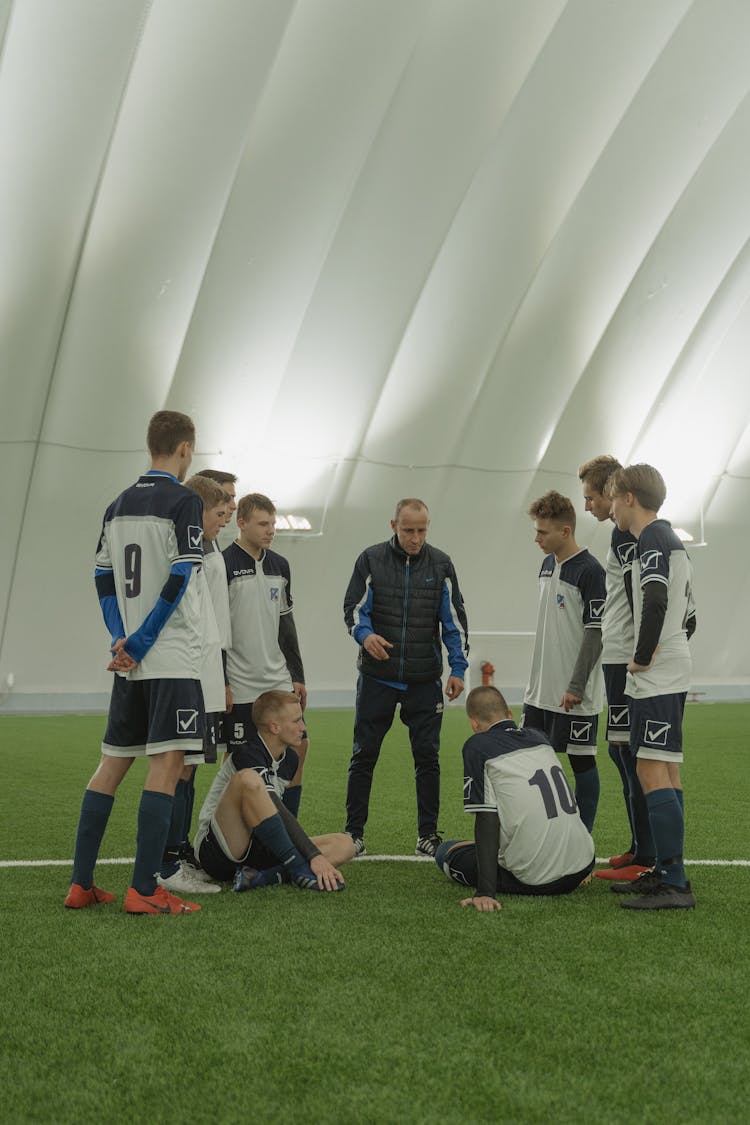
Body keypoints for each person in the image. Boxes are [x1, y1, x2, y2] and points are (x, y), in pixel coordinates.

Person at [65, 410, 206, 915]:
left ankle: (81, 884)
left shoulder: (117, 504)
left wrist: (119, 638)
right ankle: (145, 890)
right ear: (185, 449)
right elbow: (180, 576)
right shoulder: (185, 500)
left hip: (129, 661)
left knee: (111, 764)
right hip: (168, 657)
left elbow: (102, 578)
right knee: (167, 765)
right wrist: (143, 640)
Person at [343, 498, 469, 857]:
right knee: (363, 756)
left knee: (427, 759)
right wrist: (365, 636)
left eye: (422, 530)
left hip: (424, 681)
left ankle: (427, 834)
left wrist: (458, 669)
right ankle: (354, 834)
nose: (415, 538)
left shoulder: (441, 564)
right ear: (393, 525)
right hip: (376, 679)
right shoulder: (370, 560)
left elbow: (454, 622)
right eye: (408, 530)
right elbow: (352, 609)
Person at [607, 464, 697, 910]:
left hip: (657, 669)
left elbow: (657, 598)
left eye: (611, 496)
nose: (609, 507)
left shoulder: (652, 539)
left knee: (649, 769)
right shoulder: (669, 537)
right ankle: (666, 869)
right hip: (671, 662)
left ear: (628, 497)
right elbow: (691, 616)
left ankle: (675, 882)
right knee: (666, 768)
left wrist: (642, 656)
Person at [435, 686, 594, 909]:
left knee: (445, 851)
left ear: (474, 724)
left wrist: (485, 891)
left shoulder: (478, 746)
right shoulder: (540, 738)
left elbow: (486, 818)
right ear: (510, 714)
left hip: (538, 879)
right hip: (582, 865)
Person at [194, 691, 352, 891]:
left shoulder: (291, 759)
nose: (303, 727)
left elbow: (285, 815)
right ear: (275, 727)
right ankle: (297, 868)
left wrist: (313, 853)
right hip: (219, 853)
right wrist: (312, 856)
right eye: (296, 721)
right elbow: (275, 805)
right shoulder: (247, 753)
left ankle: (264, 877)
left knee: (345, 844)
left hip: (261, 847)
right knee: (249, 779)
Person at [578, 455, 651, 881]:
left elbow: (640, 599)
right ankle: (638, 846)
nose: (587, 506)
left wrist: (637, 655)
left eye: (590, 497)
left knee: (630, 754)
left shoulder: (628, 537)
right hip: (616, 660)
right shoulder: (618, 537)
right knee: (620, 752)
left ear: (611, 491)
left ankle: (646, 856)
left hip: (625, 661)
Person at [156, 474, 229, 895]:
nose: (225, 519)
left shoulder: (206, 548)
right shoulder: (186, 549)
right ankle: (167, 859)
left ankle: (178, 851)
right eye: (219, 512)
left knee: (190, 766)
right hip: (188, 669)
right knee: (177, 767)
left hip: (205, 667)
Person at [523, 490, 606, 833]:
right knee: (533, 762)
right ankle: (545, 834)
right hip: (539, 691)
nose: (537, 537)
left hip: (575, 693)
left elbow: (596, 633)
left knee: (581, 761)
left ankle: (582, 843)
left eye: (543, 532)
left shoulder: (590, 571)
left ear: (566, 531)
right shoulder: (546, 565)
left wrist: (576, 685)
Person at [223, 492, 308, 814]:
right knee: (237, 758)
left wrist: (297, 676)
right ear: (241, 523)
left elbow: (287, 625)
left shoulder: (280, 566)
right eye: (262, 524)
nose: (270, 530)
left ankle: (288, 826)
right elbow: (217, 630)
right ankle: (235, 832)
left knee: (298, 746)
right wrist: (222, 681)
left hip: (278, 680)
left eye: (273, 523)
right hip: (241, 683)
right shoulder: (224, 565)